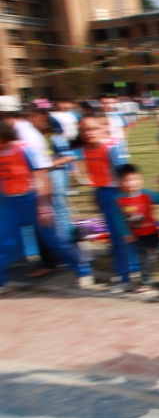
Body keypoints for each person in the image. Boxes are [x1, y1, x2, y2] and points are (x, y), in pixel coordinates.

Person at [0, 118, 93, 291]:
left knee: (55, 240)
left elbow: (42, 176)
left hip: (32, 200)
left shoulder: (24, 149)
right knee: (4, 243)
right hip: (10, 203)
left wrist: (44, 207)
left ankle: (84, 271)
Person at [74, 114, 137, 290]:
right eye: (84, 130)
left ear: (102, 129)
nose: (89, 133)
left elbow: (125, 175)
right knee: (114, 235)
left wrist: (126, 199)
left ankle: (127, 275)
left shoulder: (112, 147)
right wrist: (96, 193)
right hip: (102, 192)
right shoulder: (85, 149)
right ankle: (126, 271)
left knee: (121, 234)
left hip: (116, 193)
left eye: (93, 128)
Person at [28, 108, 80, 280]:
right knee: (49, 215)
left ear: (44, 120)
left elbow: (70, 156)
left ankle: (67, 250)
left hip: (55, 176)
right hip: (42, 177)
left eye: (35, 117)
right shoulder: (34, 138)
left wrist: (49, 164)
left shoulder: (54, 137)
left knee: (59, 212)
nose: (31, 120)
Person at [115, 164, 159, 293]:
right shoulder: (119, 200)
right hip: (138, 237)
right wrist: (125, 233)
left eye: (134, 179)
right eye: (126, 180)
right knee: (144, 261)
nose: (131, 183)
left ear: (140, 179)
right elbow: (117, 219)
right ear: (120, 182)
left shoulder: (146, 194)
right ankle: (147, 283)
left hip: (153, 234)